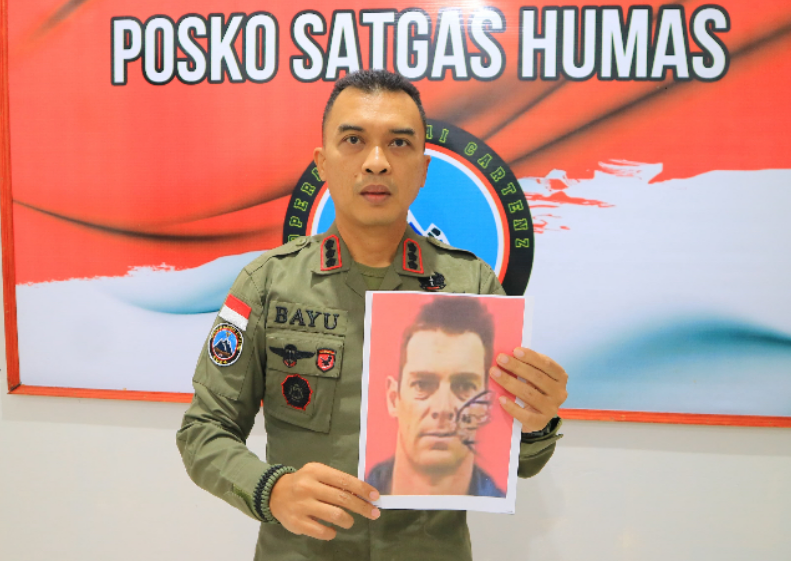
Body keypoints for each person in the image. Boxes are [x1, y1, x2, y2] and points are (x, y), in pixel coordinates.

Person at [176, 69, 569, 560]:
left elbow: (518, 461)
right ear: (323, 163)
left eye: (399, 143)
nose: (377, 161)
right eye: (354, 140)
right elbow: (203, 431)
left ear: (423, 169)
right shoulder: (268, 285)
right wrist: (269, 490)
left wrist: (535, 423)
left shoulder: (471, 287)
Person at [367, 296, 505, 497]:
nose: (443, 408)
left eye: (464, 386)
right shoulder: (346, 496)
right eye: (422, 385)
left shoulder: (503, 511)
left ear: (485, 404)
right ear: (393, 398)